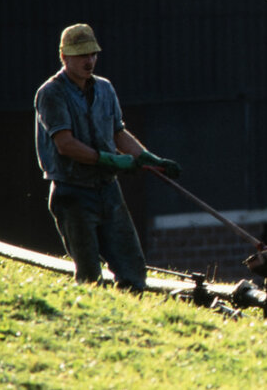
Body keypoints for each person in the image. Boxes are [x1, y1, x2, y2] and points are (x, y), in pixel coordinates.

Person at [34, 23, 181, 291]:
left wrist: (149, 159)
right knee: (90, 276)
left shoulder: (105, 89)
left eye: (92, 54)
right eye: (81, 55)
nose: (88, 60)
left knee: (133, 270)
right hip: (73, 193)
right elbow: (65, 144)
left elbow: (118, 133)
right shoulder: (51, 93)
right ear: (64, 57)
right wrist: (111, 160)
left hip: (108, 191)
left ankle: (133, 320)